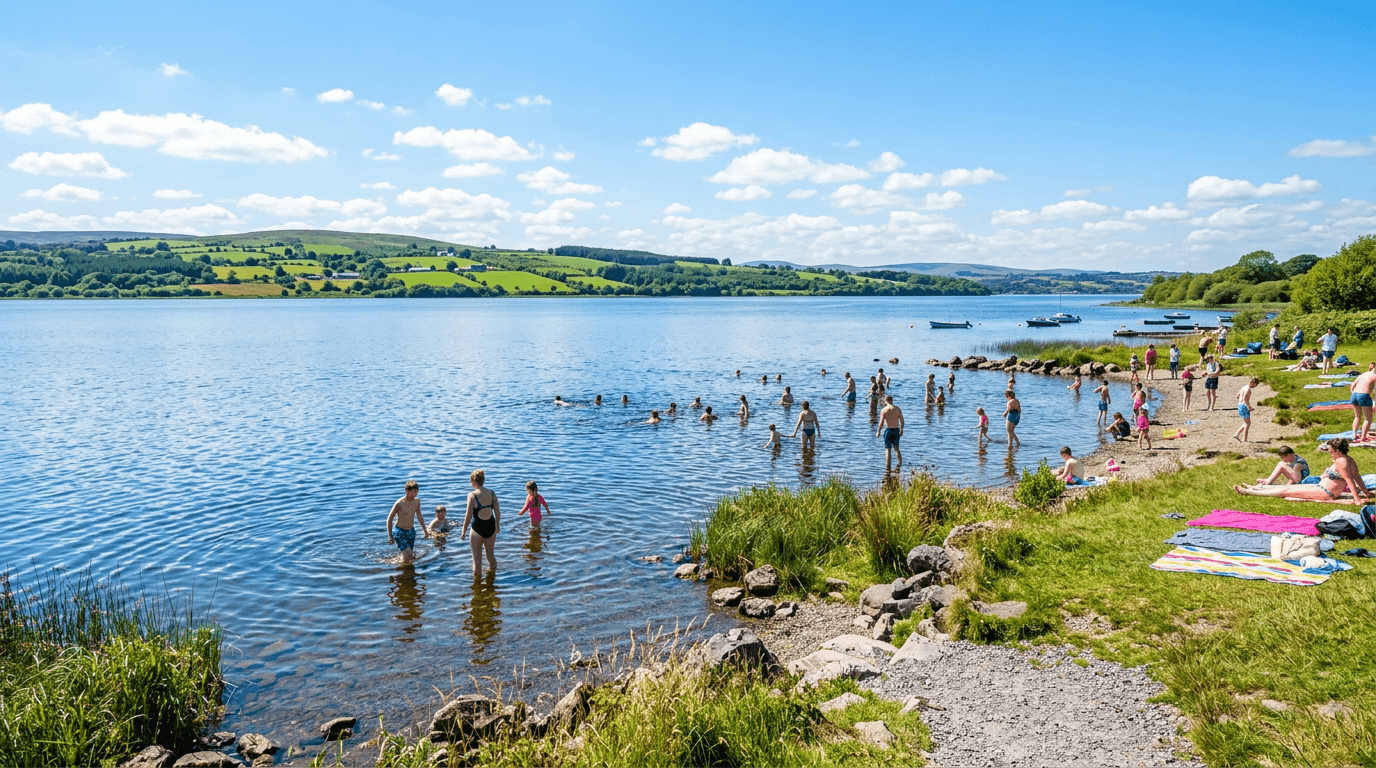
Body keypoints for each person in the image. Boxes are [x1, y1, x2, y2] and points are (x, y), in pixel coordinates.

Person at [1235, 439, 1371, 503]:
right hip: (1321, 487)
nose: (1330, 453)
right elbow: (1357, 477)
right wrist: (1366, 493)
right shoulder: (1349, 459)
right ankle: (1257, 488)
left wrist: (1357, 499)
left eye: (1331, 451)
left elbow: (1350, 480)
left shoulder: (1341, 462)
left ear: (1337, 450)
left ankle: (1250, 492)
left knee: (1285, 491)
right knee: (1287, 487)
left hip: (1326, 492)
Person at [462, 470, 499, 576]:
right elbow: (497, 512)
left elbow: (468, 516)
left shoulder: (472, 495)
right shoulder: (492, 493)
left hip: (477, 529)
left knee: (477, 563)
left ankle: (477, 589)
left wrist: (463, 531)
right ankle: (492, 580)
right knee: (490, 557)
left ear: (473, 481)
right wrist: (498, 526)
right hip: (491, 527)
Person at [386, 479, 429, 565]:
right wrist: (390, 536)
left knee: (409, 557)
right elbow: (389, 519)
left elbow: (419, 516)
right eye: (412, 492)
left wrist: (425, 530)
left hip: (411, 531)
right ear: (406, 491)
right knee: (408, 555)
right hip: (399, 531)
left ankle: (403, 570)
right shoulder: (399, 503)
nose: (414, 494)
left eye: (416, 492)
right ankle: (403, 572)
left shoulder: (417, 501)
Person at [877, 395, 904, 468]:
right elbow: (902, 421)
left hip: (888, 430)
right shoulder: (897, 409)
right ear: (892, 400)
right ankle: (900, 464)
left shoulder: (884, 410)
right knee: (896, 449)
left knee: (888, 450)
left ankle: (888, 466)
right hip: (896, 430)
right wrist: (901, 429)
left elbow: (881, 422)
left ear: (886, 401)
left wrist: (878, 431)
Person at [1351, 362, 1376, 443]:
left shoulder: (1364, 374)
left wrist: (1353, 394)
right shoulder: (1375, 377)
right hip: (1364, 395)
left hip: (1354, 394)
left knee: (1357, 416)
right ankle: (1363, 437)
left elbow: (1352, 385)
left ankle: (1354, 435)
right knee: (1368, 419)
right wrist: (1374, 404)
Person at [1234, 376, 1258, 442]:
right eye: (1255, 385)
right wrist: (1249, 407)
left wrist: (1240, 401)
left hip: (1239, 405)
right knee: (1248, 423)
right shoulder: (1248, 389)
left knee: (1246, 422)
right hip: (1244, 406)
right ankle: (1244, 439)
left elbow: (1237, 395)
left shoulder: (1244, 387)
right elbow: (1245, 398)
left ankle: (1236, 434)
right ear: (1253, 383)